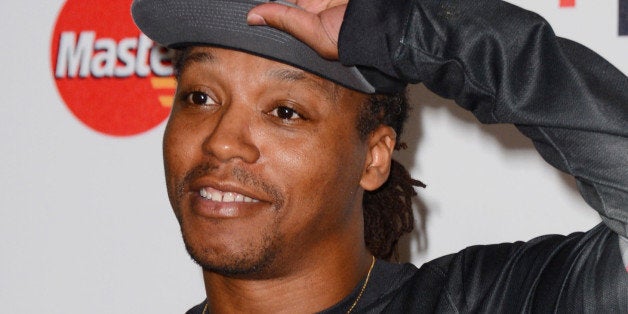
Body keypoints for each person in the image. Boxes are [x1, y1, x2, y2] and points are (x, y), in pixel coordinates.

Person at [132, 0, 628, 312]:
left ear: (373, 158)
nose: (221, 141)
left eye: (284, 111)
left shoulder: (481, 302)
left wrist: (409, 29)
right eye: (200, 97)